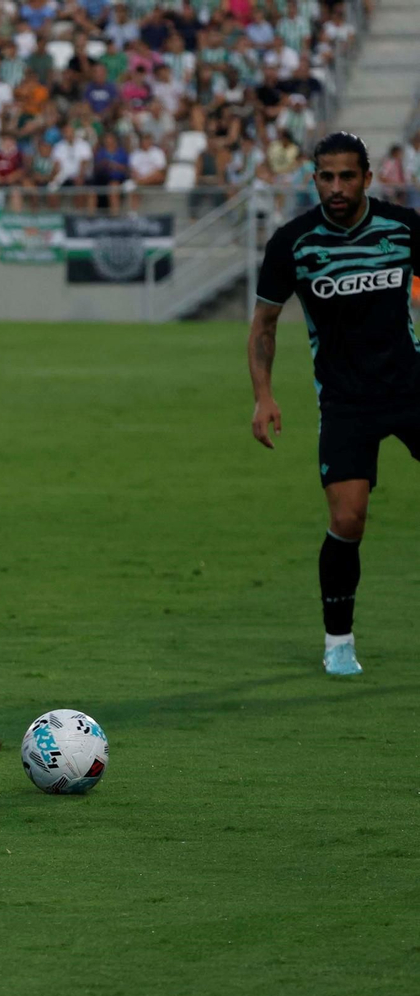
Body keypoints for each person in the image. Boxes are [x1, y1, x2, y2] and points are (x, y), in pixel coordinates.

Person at [248, 131, 420, 677]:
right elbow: (265, 325)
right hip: (346, 402)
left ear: (368, 177)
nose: (337, 187)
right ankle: (339, 640)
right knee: (348, 519)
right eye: (327, 176)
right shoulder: (293, 243)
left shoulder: (402, 227)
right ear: (314, 179)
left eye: (348, 176)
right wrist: (264, 396)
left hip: (411, 389)